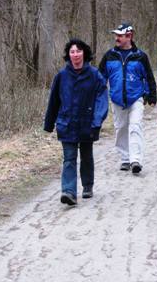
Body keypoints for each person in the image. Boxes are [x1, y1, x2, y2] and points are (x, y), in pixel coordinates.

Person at [44, 39, 108, 206]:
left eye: (78, 51)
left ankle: (87, 185)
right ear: (68, 55)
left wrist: (97, 119)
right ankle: (69, 192)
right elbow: (54, 101)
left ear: (84, 53)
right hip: (67, 123)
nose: (76, 55)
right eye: (72, 52)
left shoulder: (94, 75)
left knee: (86, 155)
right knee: (69, 157)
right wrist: (49, 124)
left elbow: (102, 98)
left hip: (88, 123)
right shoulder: (62, 76)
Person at [99, 22, 157, 174]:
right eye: (116, 35)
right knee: (120, 129)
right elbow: (100, 78)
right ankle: (125, 158)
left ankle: (135, 160)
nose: (117, 38)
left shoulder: (140, 56)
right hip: (117, 99)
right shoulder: (109, 56)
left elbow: (149, 76)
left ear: (129, 36)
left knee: (135, 126)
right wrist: (97, 96)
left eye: (120, 35)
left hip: (136, 98)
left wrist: (152, 95)